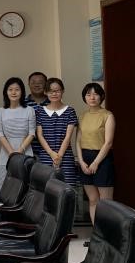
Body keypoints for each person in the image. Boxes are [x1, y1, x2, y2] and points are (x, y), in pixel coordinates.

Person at [76, 83, 115, 224]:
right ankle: (96, 232)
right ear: (84, 97)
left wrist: (96, 163)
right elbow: (78, 141)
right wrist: (81, 162)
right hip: (85, 159)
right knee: (92, 200)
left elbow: (108, 142)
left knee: (106, 202)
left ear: (101, 96)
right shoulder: (82, 116)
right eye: (88, 94)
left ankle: (108, 233)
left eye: (95, 94)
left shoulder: (108, 115)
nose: (92, 97)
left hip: (102, 159)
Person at [35, 78, 78, 185]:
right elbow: (40, 135)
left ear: (63, 91)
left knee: (67, 188)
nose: (54, 94)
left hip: (65, 156)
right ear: (45, 92)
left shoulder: (70, 111)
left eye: (57, 91)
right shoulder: (40, 111)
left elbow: (68, 136)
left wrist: (59, 156)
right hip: (46, 156)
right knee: (46, 188)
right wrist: (52, 154)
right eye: (51, 91)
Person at [0, 77, 35, 191]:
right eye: (10, 89)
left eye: (17, 89)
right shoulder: (0, 111)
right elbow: (0, 134)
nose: (13, 92)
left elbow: (32, 133)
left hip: (25, 150)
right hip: (6, 152)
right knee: (4, 185)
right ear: (6, 92)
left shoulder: (29, 110)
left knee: (26, 185)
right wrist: (11, 153)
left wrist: (20, 150)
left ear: (22, 92)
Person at [25, 71, 49, 158]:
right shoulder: (22, 104)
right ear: (28, 84)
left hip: (49, 151)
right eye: (33, 82)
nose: (37, 85)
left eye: (40, 82)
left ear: (46, 84)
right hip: (27, 150)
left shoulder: (53, 102)